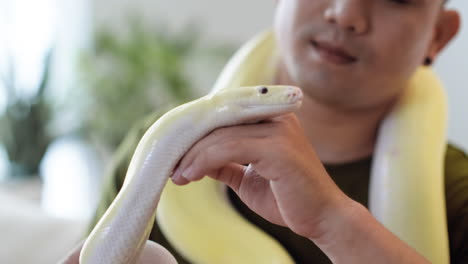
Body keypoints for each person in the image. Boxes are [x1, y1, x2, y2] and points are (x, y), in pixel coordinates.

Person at [64, 0, 467, 263]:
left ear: (439, 34)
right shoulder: (159, 147)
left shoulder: (458, 192)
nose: (346, 13)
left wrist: (333, 220)